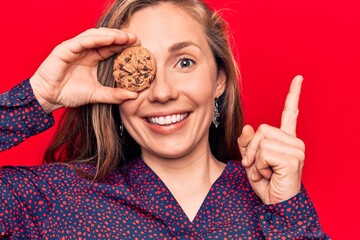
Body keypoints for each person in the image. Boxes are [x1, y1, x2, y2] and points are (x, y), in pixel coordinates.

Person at [0, 0, 330, 239]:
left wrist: (288, 212)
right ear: (114, 84)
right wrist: (38, 96)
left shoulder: (271, 202)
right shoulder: (51, 199)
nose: (162, 92)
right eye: (144, 70)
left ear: (220, 79)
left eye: (184, 62)